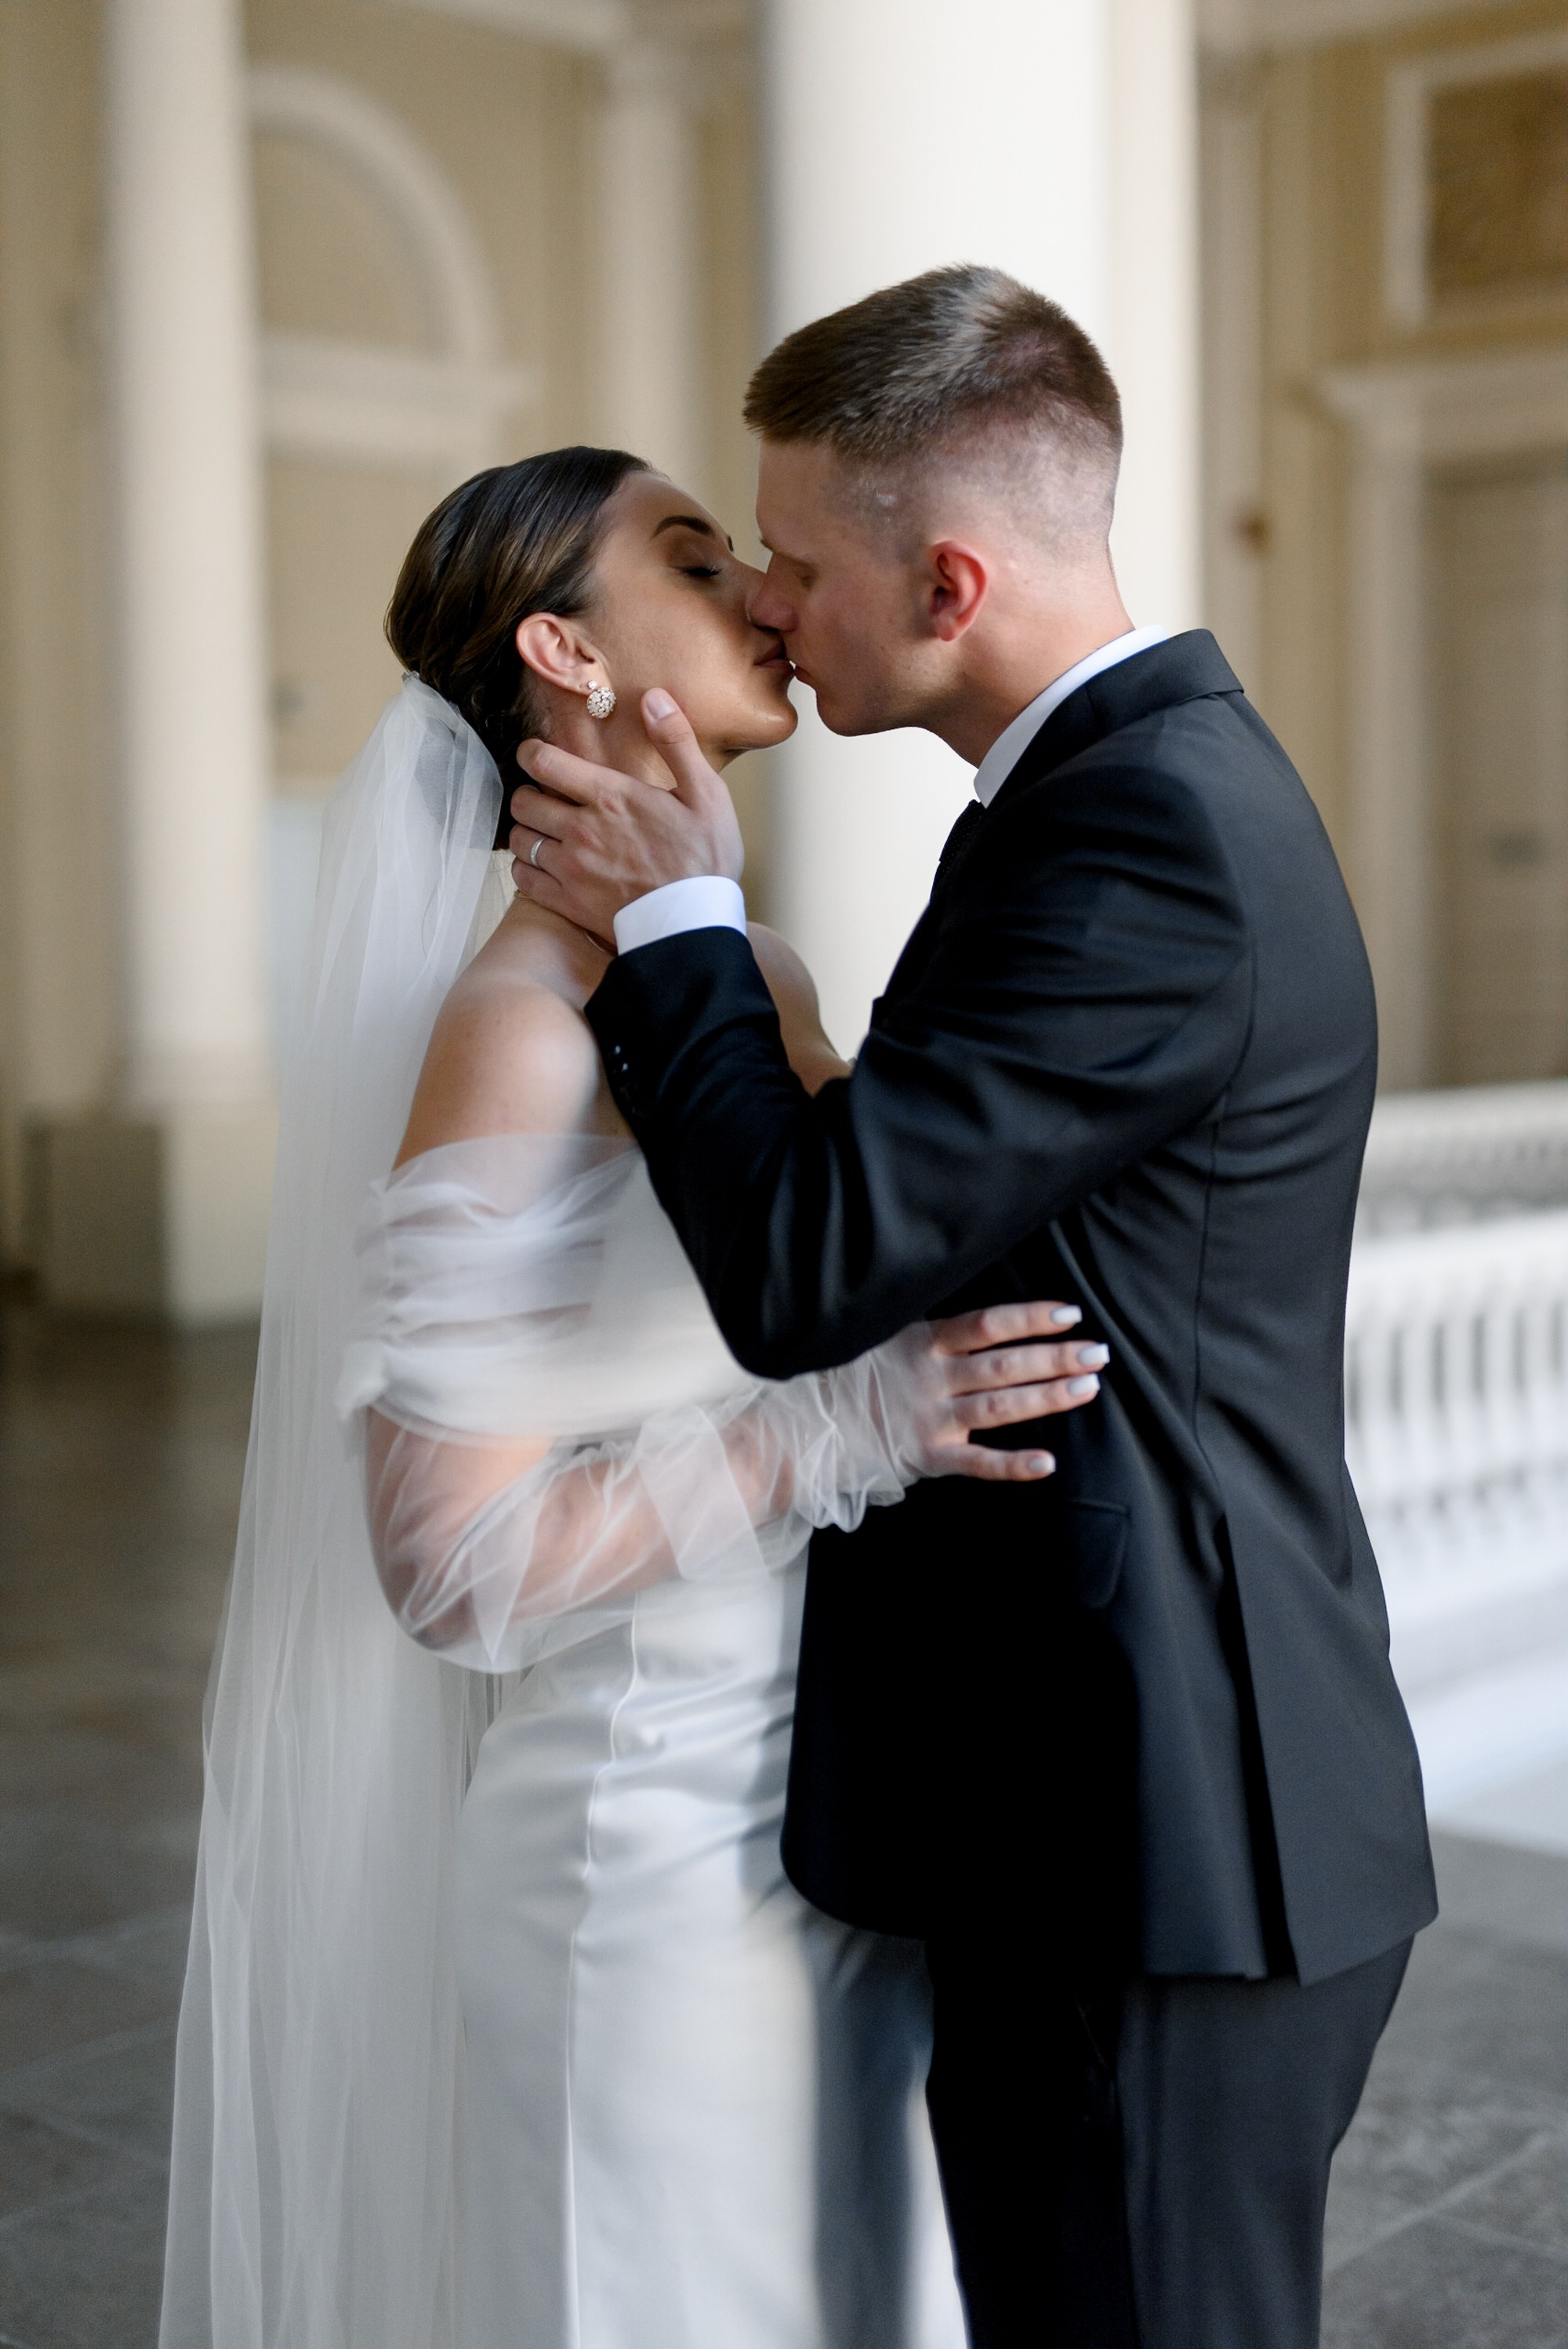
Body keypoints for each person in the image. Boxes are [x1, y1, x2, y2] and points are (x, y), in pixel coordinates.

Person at [506, 267, 1440, 2349]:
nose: (763, 600)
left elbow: (809, 1263)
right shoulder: (1113, 795)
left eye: (794, 558)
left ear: (943, 575)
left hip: (1162, 1826)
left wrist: (679, 921)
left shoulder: (1148, 842)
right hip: (1103, 1797)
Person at [160, 445, 1102, 2349]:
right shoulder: (513, 1027)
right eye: (695, 555)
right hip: (644, 1851)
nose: (763, 585)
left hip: (837, 1813)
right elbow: (446, 1560)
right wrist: (843, 1429)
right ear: (561, 654)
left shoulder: (747, 967)